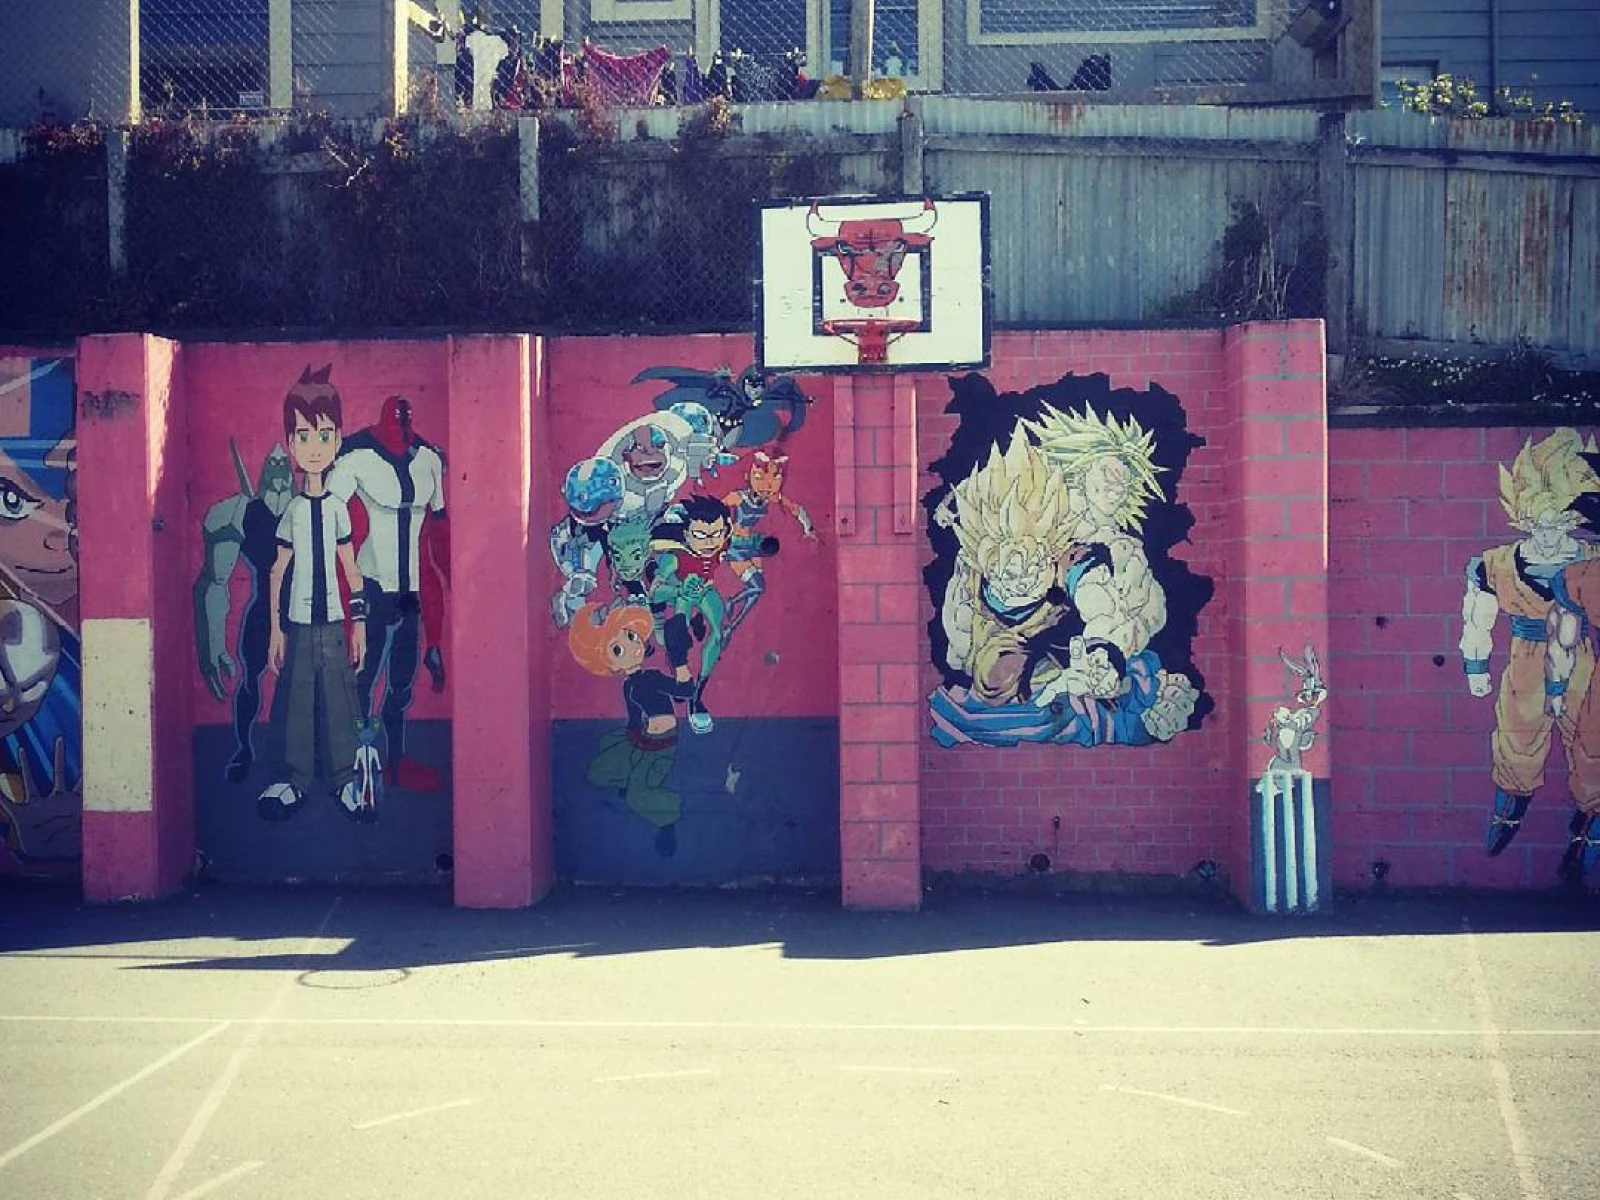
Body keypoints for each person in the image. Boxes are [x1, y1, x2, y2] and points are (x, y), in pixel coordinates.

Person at [1459, 429, 1600, 856]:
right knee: (1517, 739)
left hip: (1585, 662)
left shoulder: (1591, 563)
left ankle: (1589, 824)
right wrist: (1476, 666)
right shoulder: (1497, 564)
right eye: (1542, 523)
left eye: (1561, 523)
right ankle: (1508, 813)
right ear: (1523, 515)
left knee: (1592, 746)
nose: (1551, 535)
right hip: (1524, 659)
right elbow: (1477, 619)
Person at [263, 369, 371, 822]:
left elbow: (351, 568)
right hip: (300, 620)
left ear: (338, 440)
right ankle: (295, 780)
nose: (313, 446)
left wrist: (359, 624)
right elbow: (276, 571)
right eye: (304, 436)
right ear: (290, 442)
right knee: (298, 695)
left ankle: (348, 781)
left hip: (334, 619)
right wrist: (275, 631)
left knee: (340, 694)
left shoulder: (338, 509)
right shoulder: (291, 510)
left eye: (323, 435)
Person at [327, 394, 449, 792]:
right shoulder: (357, 458)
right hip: (373, 584)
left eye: (406, 418)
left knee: (400, 684)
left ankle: (396, 760)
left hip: (412, 589)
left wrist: (449, 592)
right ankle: (355, 758)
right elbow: (325, 515)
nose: (401, 423)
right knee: (363, 676)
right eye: (395, 418)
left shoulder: (429, 461)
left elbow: (440, 531)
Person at [569, 603, 697, 857]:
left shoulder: (651, 677)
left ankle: (667, 819)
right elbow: (634, 719)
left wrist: (679, 659)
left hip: (662, 745)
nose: (631, 646)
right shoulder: (628, 686)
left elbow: (684, 691)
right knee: (600, 767)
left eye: (630, 636)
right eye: (617, 649)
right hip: (641, 739)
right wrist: (631, 741)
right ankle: (628, 778)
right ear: (610, 664)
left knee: (638, 796)